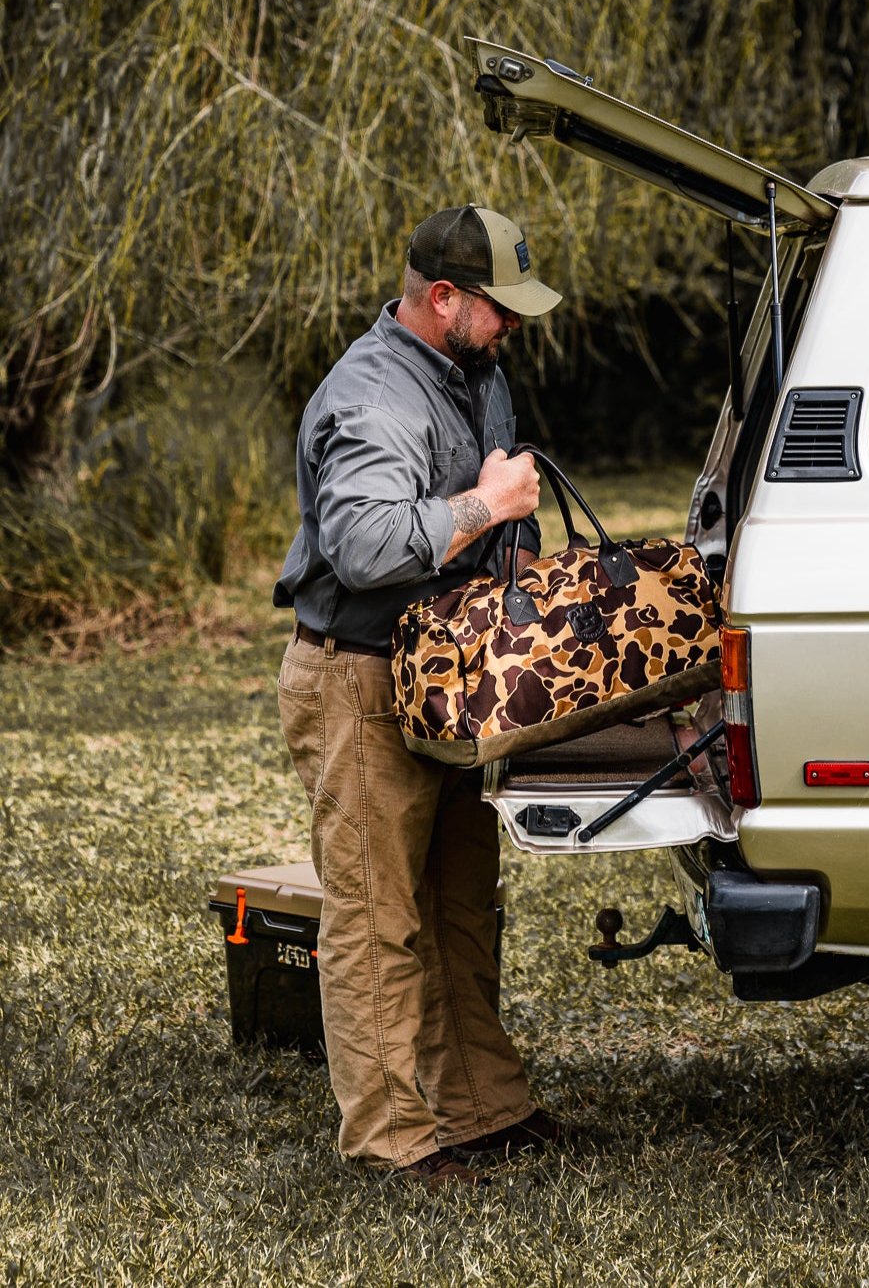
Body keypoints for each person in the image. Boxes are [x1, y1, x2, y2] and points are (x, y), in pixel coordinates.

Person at [273, 206, 563, 1187]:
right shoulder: (373, 395)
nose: (515, 327)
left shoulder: (476, 374)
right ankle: (395, 1140)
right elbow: (360, 547)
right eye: (500, 309)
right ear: (442, 298)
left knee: (457, 905)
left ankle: (483, 1109)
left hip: (446, 680)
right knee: (374, 916)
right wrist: (488, 505)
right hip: (360, 680)